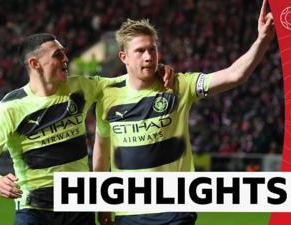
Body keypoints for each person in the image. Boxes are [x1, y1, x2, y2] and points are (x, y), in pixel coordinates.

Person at [93, 0, 275, 225]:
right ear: (123, 57)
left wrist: (262, 40)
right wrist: (102, 204)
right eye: (140, 51)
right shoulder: (106, 95)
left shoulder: (179, 85)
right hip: (129, 213)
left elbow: (234, 75)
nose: (149, 57)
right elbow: (101, 157)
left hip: (175, 211)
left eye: (153, 49)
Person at [0, 33, 174, 225]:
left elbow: (124, 82)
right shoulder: (8, 109)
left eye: (63, 52)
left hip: (79, 208)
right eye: (57, 55)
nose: (66, 58)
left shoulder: (79, 87)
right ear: (34, 64)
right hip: (35, 211)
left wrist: (154, 70)